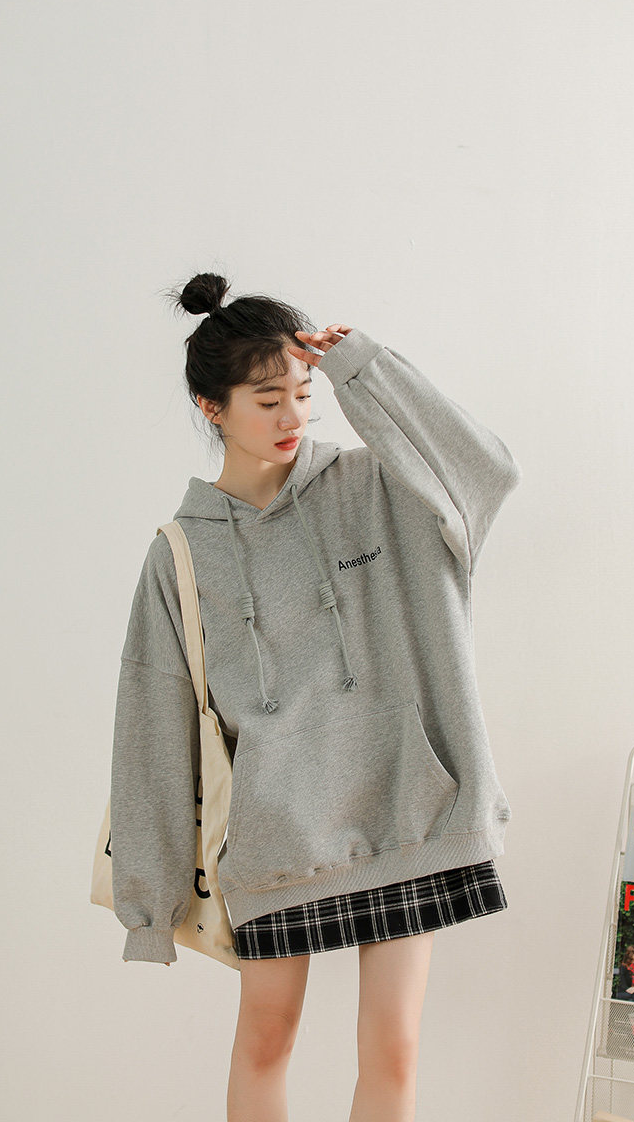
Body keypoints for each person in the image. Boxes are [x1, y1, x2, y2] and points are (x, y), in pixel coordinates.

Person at [109, 271, 522, 1122]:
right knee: (266, 1040)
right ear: (210, 406)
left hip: (409, 812)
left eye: (304, 394)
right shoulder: (182, 554)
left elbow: (487, 471)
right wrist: (150, 905)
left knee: (393, 1050)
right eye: (268, 400)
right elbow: (152, 722)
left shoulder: (384, 489)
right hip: (278, 841)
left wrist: (366, 369)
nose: (293, 416)